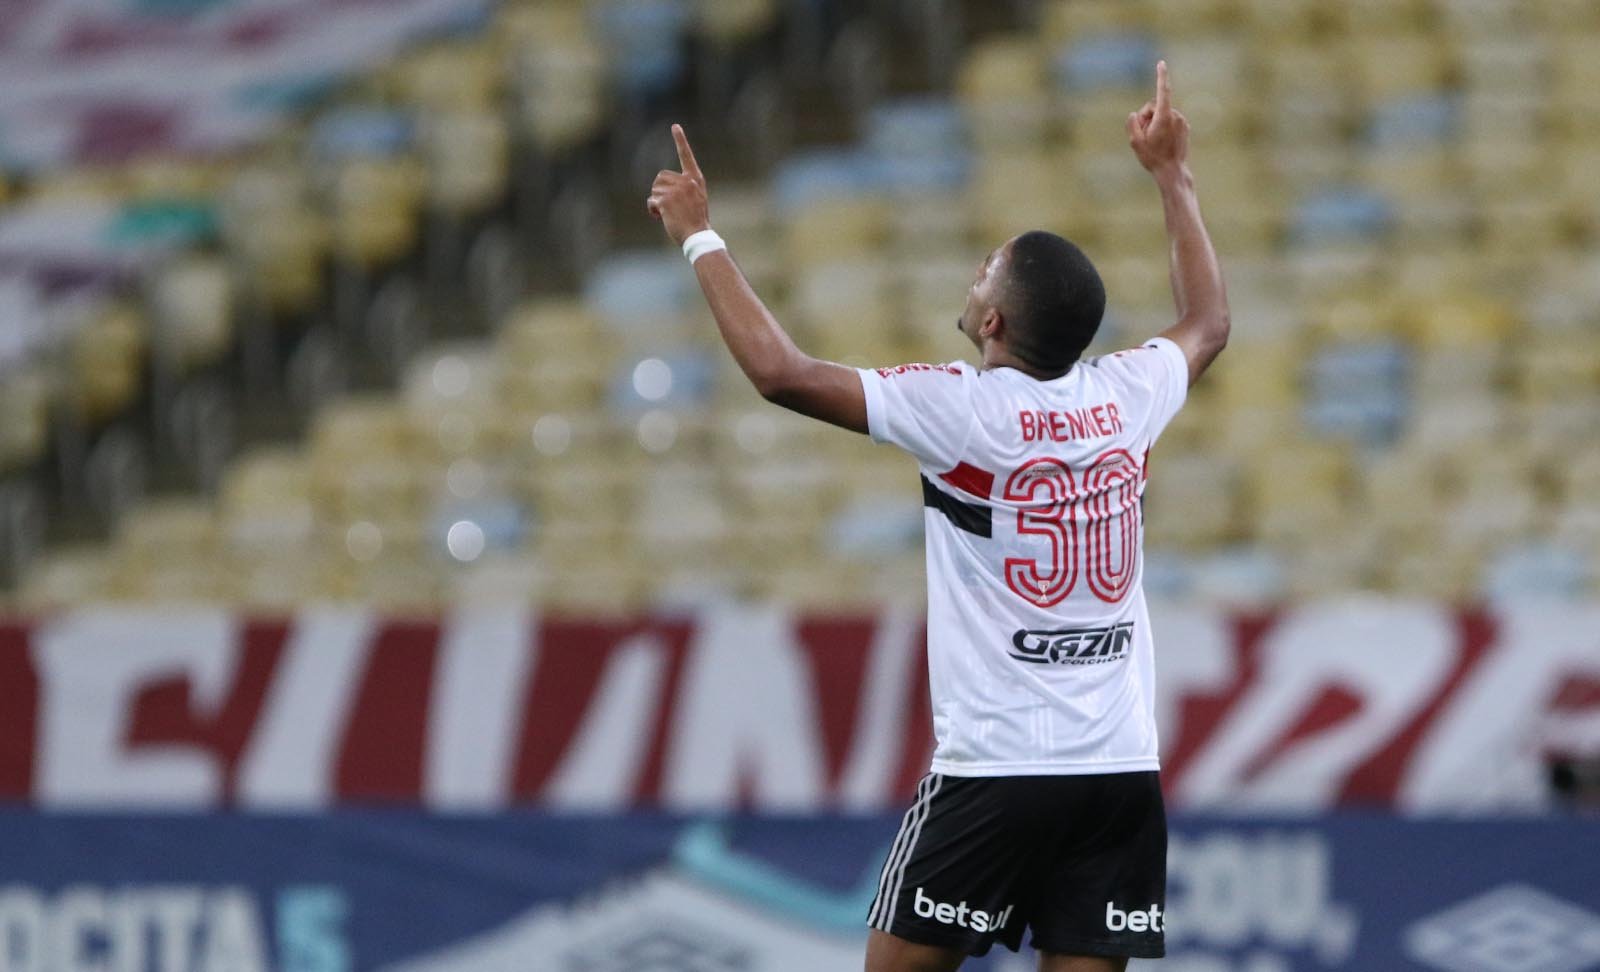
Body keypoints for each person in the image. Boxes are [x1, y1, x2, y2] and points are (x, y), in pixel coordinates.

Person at [648, 61, 1228, 972]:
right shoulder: (1129, 395)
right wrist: (1173, 177)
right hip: (1117, 771)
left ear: (995, 321)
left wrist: (700, 239)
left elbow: (783, 374)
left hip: (995, 772)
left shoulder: (963, 411)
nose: (973, 275)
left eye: (985, 271)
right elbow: (1207, 322)